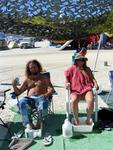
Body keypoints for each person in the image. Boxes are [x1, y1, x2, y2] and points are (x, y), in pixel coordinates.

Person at [12, 59, 53, 129]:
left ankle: (39, 123)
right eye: (31, 68)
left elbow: (51, 89)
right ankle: (29, 123)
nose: (33, 69)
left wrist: (45, 95)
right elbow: (18, 92)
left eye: (35, 67)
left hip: (41, 97)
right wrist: (14, 85)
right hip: (30, 99)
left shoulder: (44, 77)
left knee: (43, 103)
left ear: (38, 67)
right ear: (29, 69)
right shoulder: (27, 79)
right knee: (22, 103)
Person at [64, 55, 99, 125]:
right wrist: (66, 84)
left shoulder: (87, 69)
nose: (81, 62)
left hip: (87, 88)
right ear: (76, 61)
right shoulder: (71, 69)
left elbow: (92, 78)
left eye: (82, 60)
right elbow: (66, 80)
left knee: (90, 100)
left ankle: (88, 119)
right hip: (75, 89)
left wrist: (96, 83)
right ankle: (76, 119)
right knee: (74, 101)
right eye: (79, 60)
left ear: (84, 61)